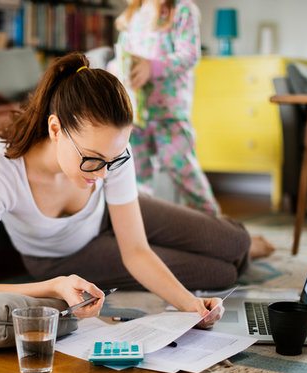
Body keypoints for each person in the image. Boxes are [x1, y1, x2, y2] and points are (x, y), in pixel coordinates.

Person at [0, 52, 252, 327]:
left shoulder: (109, 154)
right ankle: (247, 255)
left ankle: (254, 247)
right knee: (221, 274)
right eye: (92, 160)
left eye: (114, 159)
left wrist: (191, 306)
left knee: (237, 241)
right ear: (56, 129)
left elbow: (135, 249)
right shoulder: (0, 165)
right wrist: (57, 285)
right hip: (63, 255)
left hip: (107, 215)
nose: (103, 173)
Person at [112, 0, 275, 258]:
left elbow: (189, 56)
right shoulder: (134, 15)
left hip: (169, 113)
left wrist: (151, 66)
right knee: (137, 181)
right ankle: (145, 242)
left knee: (185, 174)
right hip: (136, 114)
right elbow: (123, 56)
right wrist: (117, 70)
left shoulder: (182, 10)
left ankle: (225, 236)